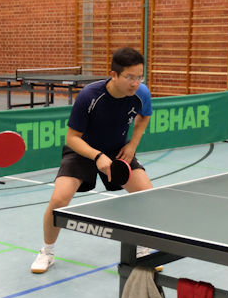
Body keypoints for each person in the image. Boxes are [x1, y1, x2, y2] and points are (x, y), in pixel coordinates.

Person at [30, 47, 153, 273]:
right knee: (59, 200)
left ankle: (142, 249)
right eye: (130, 77)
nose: (136, 83)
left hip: (116, 151)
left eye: (140, 77)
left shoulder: (141, 93)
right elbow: (72, 138)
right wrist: (97, 156)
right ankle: (47, 251)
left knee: (147, 195)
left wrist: (132, 145)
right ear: (114, 75)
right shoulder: (90, 95)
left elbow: (144, 117)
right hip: (83, 151)